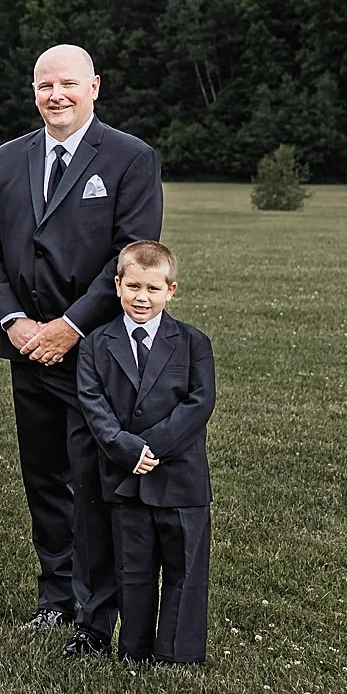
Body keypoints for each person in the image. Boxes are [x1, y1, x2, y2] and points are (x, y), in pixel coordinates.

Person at [0, 43, 163, 656]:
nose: (56, 95)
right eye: (45, 85)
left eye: (68, 84)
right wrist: (14, 323)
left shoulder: (131, 158)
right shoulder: (8, 159)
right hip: (26, 347)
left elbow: (130, 254)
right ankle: (55, 598)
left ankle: (97, 609)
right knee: (43, 477)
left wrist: (70, 327)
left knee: (93, 478)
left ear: (95, 87)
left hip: (95, 351)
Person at [76, 241, 214, 666]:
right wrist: (127, 449)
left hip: (181, 478)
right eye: (133, 286)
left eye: (153, 289)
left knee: (185, 569)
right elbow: (93, 404)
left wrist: (152, 447)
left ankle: (177, 653)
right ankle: (133, 650)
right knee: (132, 570)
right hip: (124, 477)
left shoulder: (192, 342)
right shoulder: (96, 344)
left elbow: (200, 402)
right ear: (117, 285)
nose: (142, 297)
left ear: (171, 290)